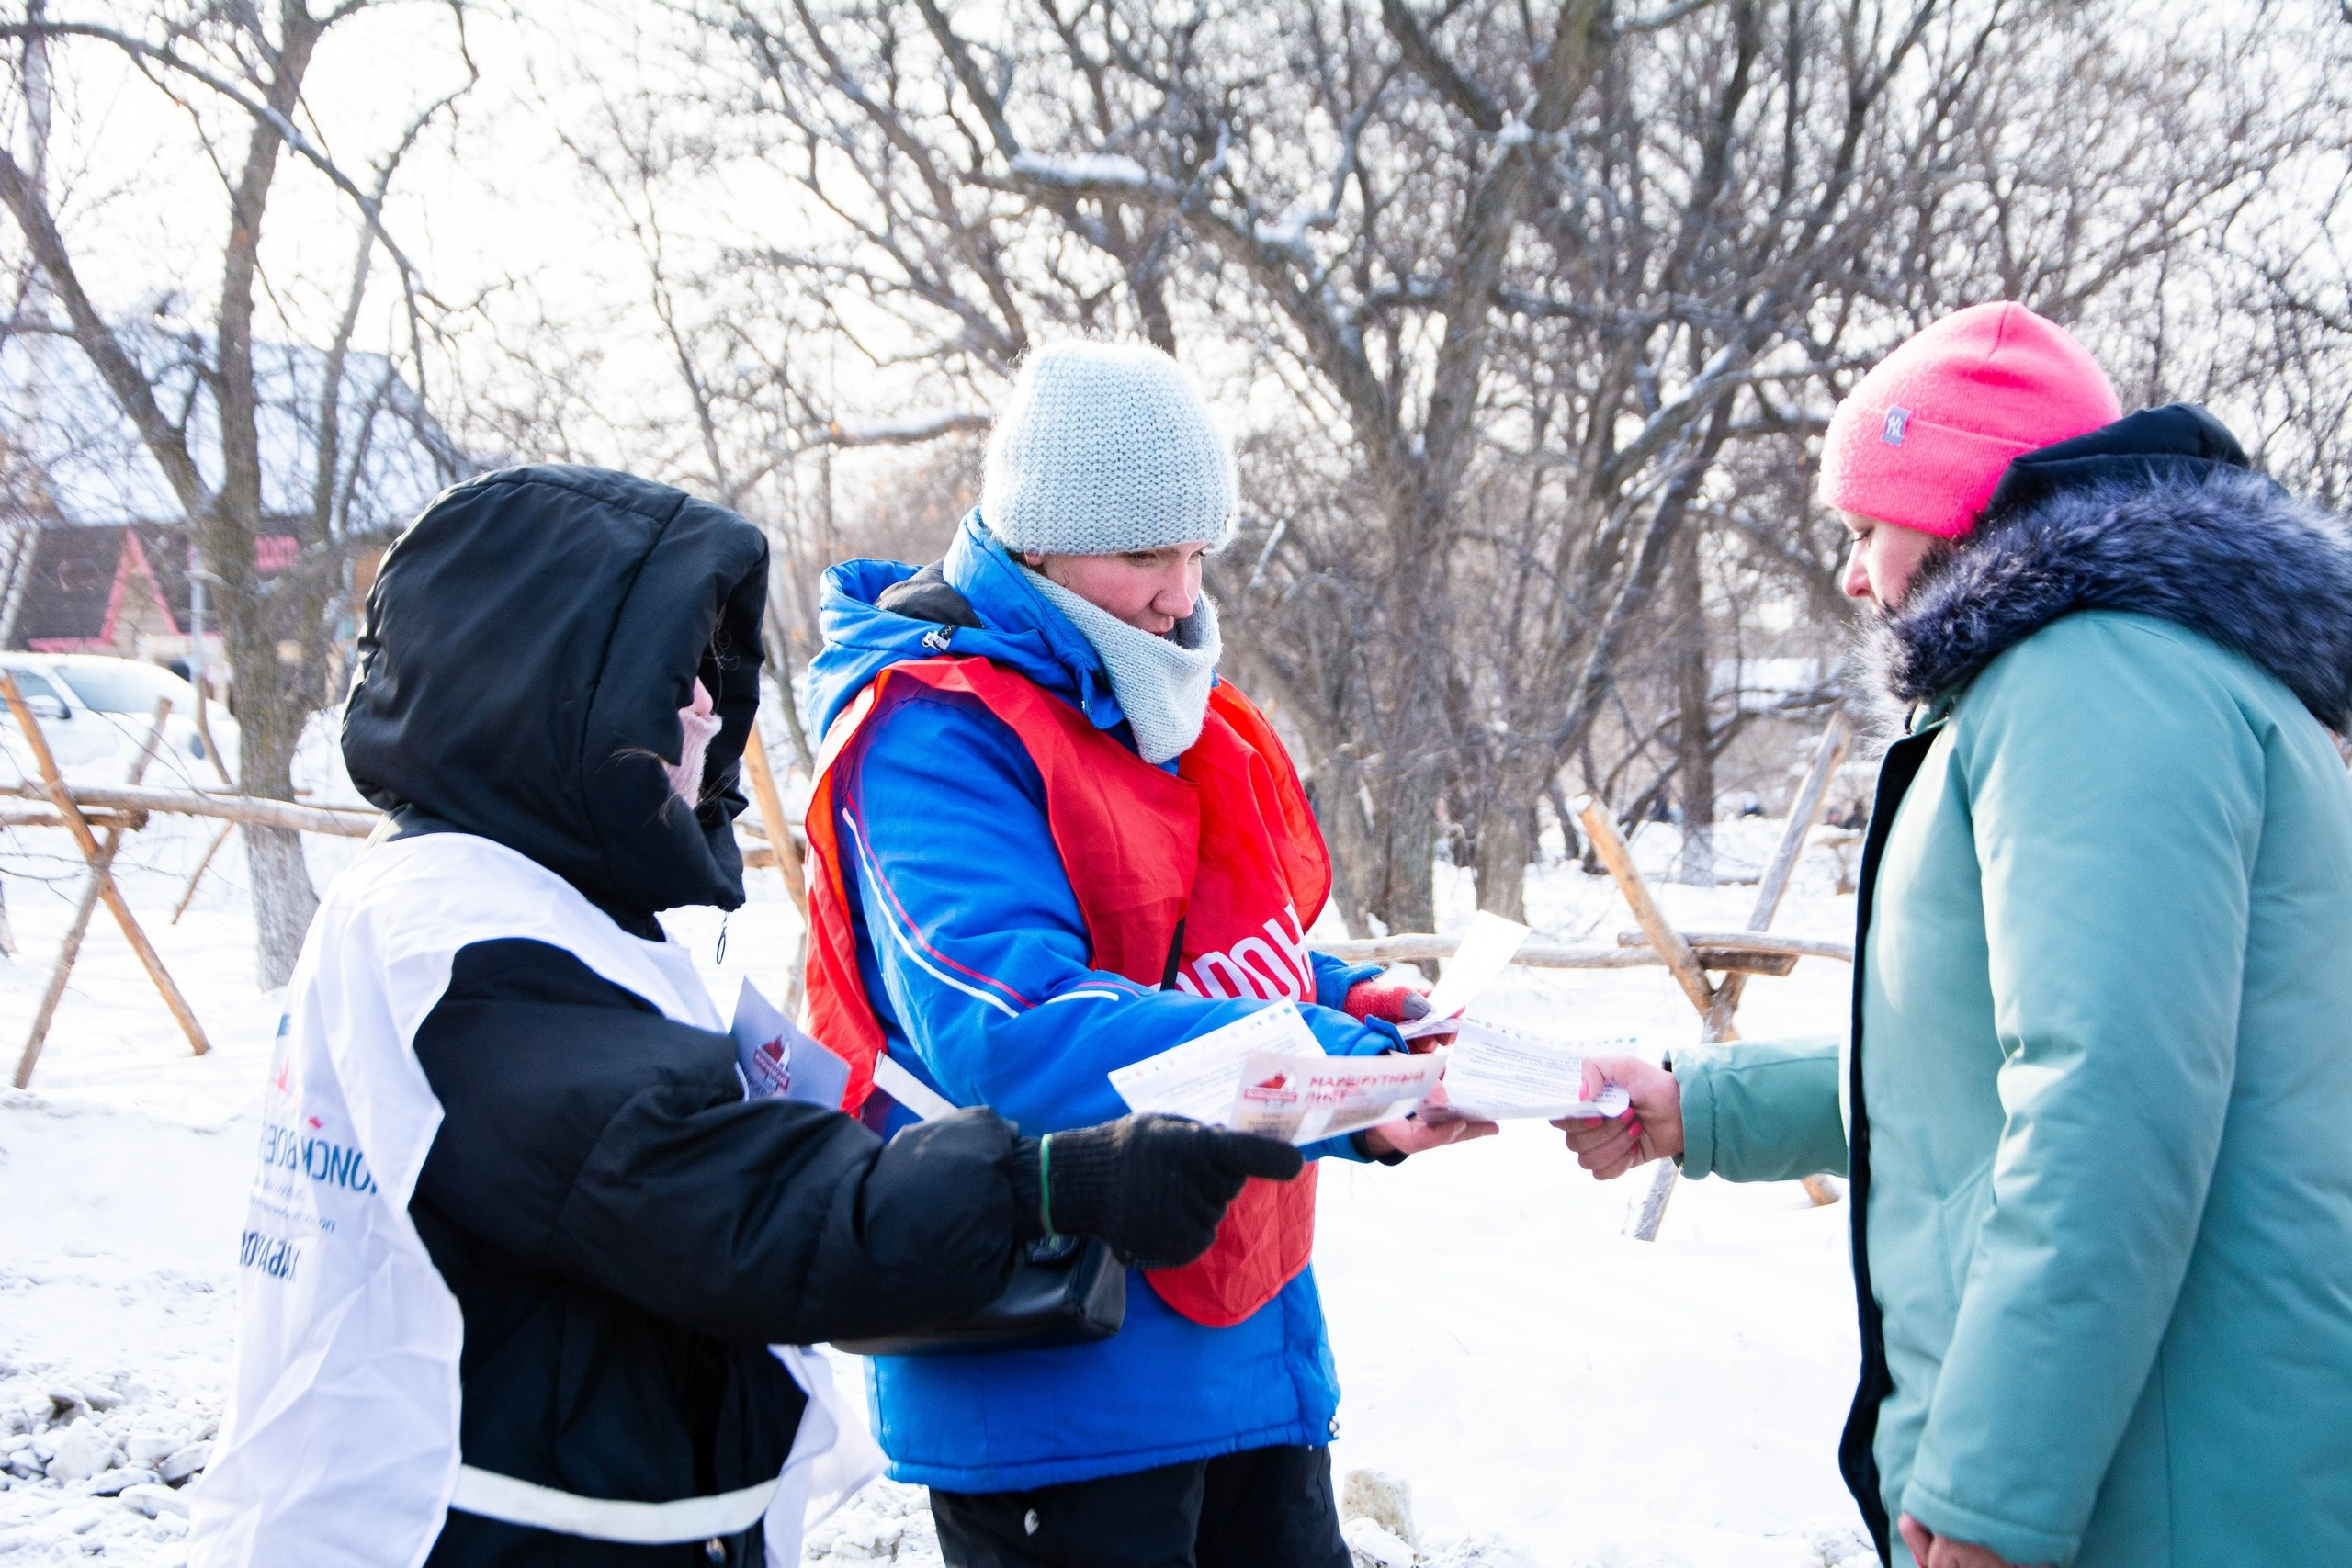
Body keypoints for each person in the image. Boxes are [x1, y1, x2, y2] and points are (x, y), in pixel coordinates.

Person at [189, 464, 1301, 1568]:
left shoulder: (514, 903)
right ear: (548, 690)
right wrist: (1043, 1185)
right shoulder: (460, 941)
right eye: (666, 673)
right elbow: (721, 1194)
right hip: (444, 1530)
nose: (702, 708)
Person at [1561, 303, 2352, 1568]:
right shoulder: (2114, 676)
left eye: (1865, 527)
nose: (1855, 572)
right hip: (2168, 1455)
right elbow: (1968, 1054)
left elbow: (2113, 1105)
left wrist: (1993, 1497)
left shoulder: (2097, 682)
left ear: (1952, 509)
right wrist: (1693, 1104)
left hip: (2162, 1487)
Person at [801, 340, 1493, 1568]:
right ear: (1034, 543)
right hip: (1059, 1383)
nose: (1183, 593)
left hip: (1243, 1339)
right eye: (1142, 555)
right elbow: (1015, 1025)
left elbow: (1224, 949)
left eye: (1197, 551)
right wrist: (1334, 1064)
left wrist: (1367, 1006)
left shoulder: (1144, 697)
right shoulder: (934, 731)